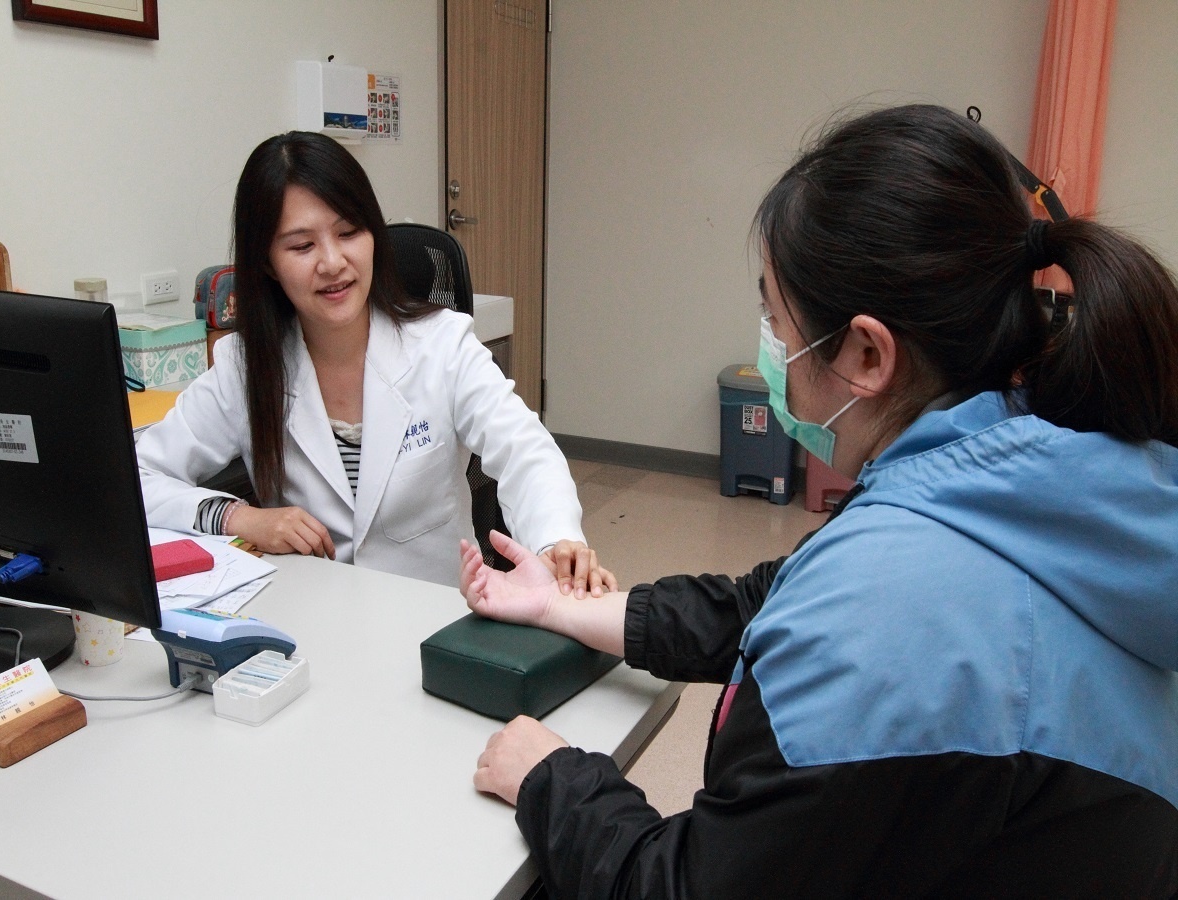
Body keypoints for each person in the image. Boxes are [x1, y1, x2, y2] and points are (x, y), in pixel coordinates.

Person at [458, 104, 1178, 896]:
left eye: (775, 317)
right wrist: (559, 606)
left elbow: (688, 887)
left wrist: (553, 778)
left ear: (867, 352)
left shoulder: (885, 611)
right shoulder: (1045, 467)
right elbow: (770, 601)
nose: (770, 344)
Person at [137, 131, 614, 595]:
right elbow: (138, 478)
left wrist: (556, 543)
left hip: (434, 613)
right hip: (313, 616)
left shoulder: (442, 345)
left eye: (349, 232)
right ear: (266, 262)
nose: (332, 262)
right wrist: (238, 517)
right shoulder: (247, 366)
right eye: (302, 246)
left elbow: (525, 452)